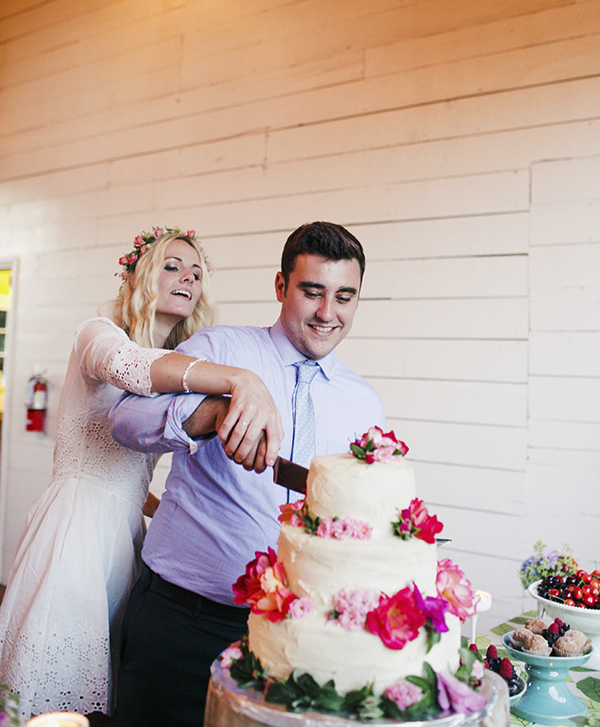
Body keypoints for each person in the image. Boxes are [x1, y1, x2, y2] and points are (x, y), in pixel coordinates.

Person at [0, 227, 282, 722]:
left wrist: (165, 506)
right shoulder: (97, 334)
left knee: (106, 691)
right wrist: (243, 379)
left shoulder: (176, 377)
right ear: (139, 276)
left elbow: (131, 470)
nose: (187, 278)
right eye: (172, 266)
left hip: (127, 537)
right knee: (51, 689)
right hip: (76, 528)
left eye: (196, 273)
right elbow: (132, 364)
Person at [110, 221, 386, 727]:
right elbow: (124, 421)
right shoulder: (221, 350)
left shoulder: (364, 404)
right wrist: (210, 415)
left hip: (293, 642)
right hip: (182, 623)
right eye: (312, 292)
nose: (329, 313)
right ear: (281, 287)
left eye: (344, 297)